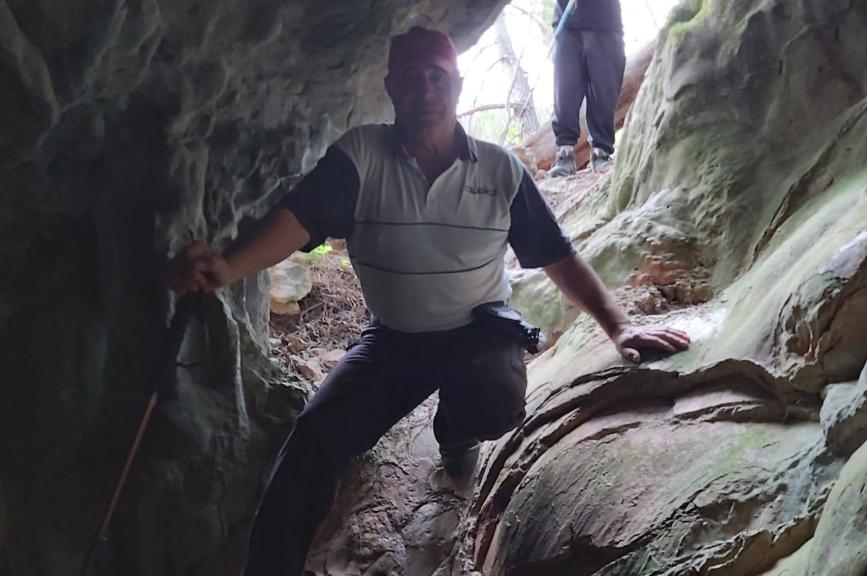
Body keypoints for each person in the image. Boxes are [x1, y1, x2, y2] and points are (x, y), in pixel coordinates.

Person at [165, 26, 689, 576]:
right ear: (391, 87)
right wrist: (226, 267)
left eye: (437, 76)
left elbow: (557, 256)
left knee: (493, 398)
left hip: (477, 334)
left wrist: (620, 327)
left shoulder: (499, 170)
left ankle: (456, 433)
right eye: (411, 77)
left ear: (457, 85)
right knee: (314, 439)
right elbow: (296, 221)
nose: (425, 89)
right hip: (393, 341)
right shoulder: (361, 157)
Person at [549, 0, 626, 177]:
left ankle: (601, 153)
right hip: (568, 24)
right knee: (565, 92)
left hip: (606, 23)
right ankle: (565, 153)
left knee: (605, 92)